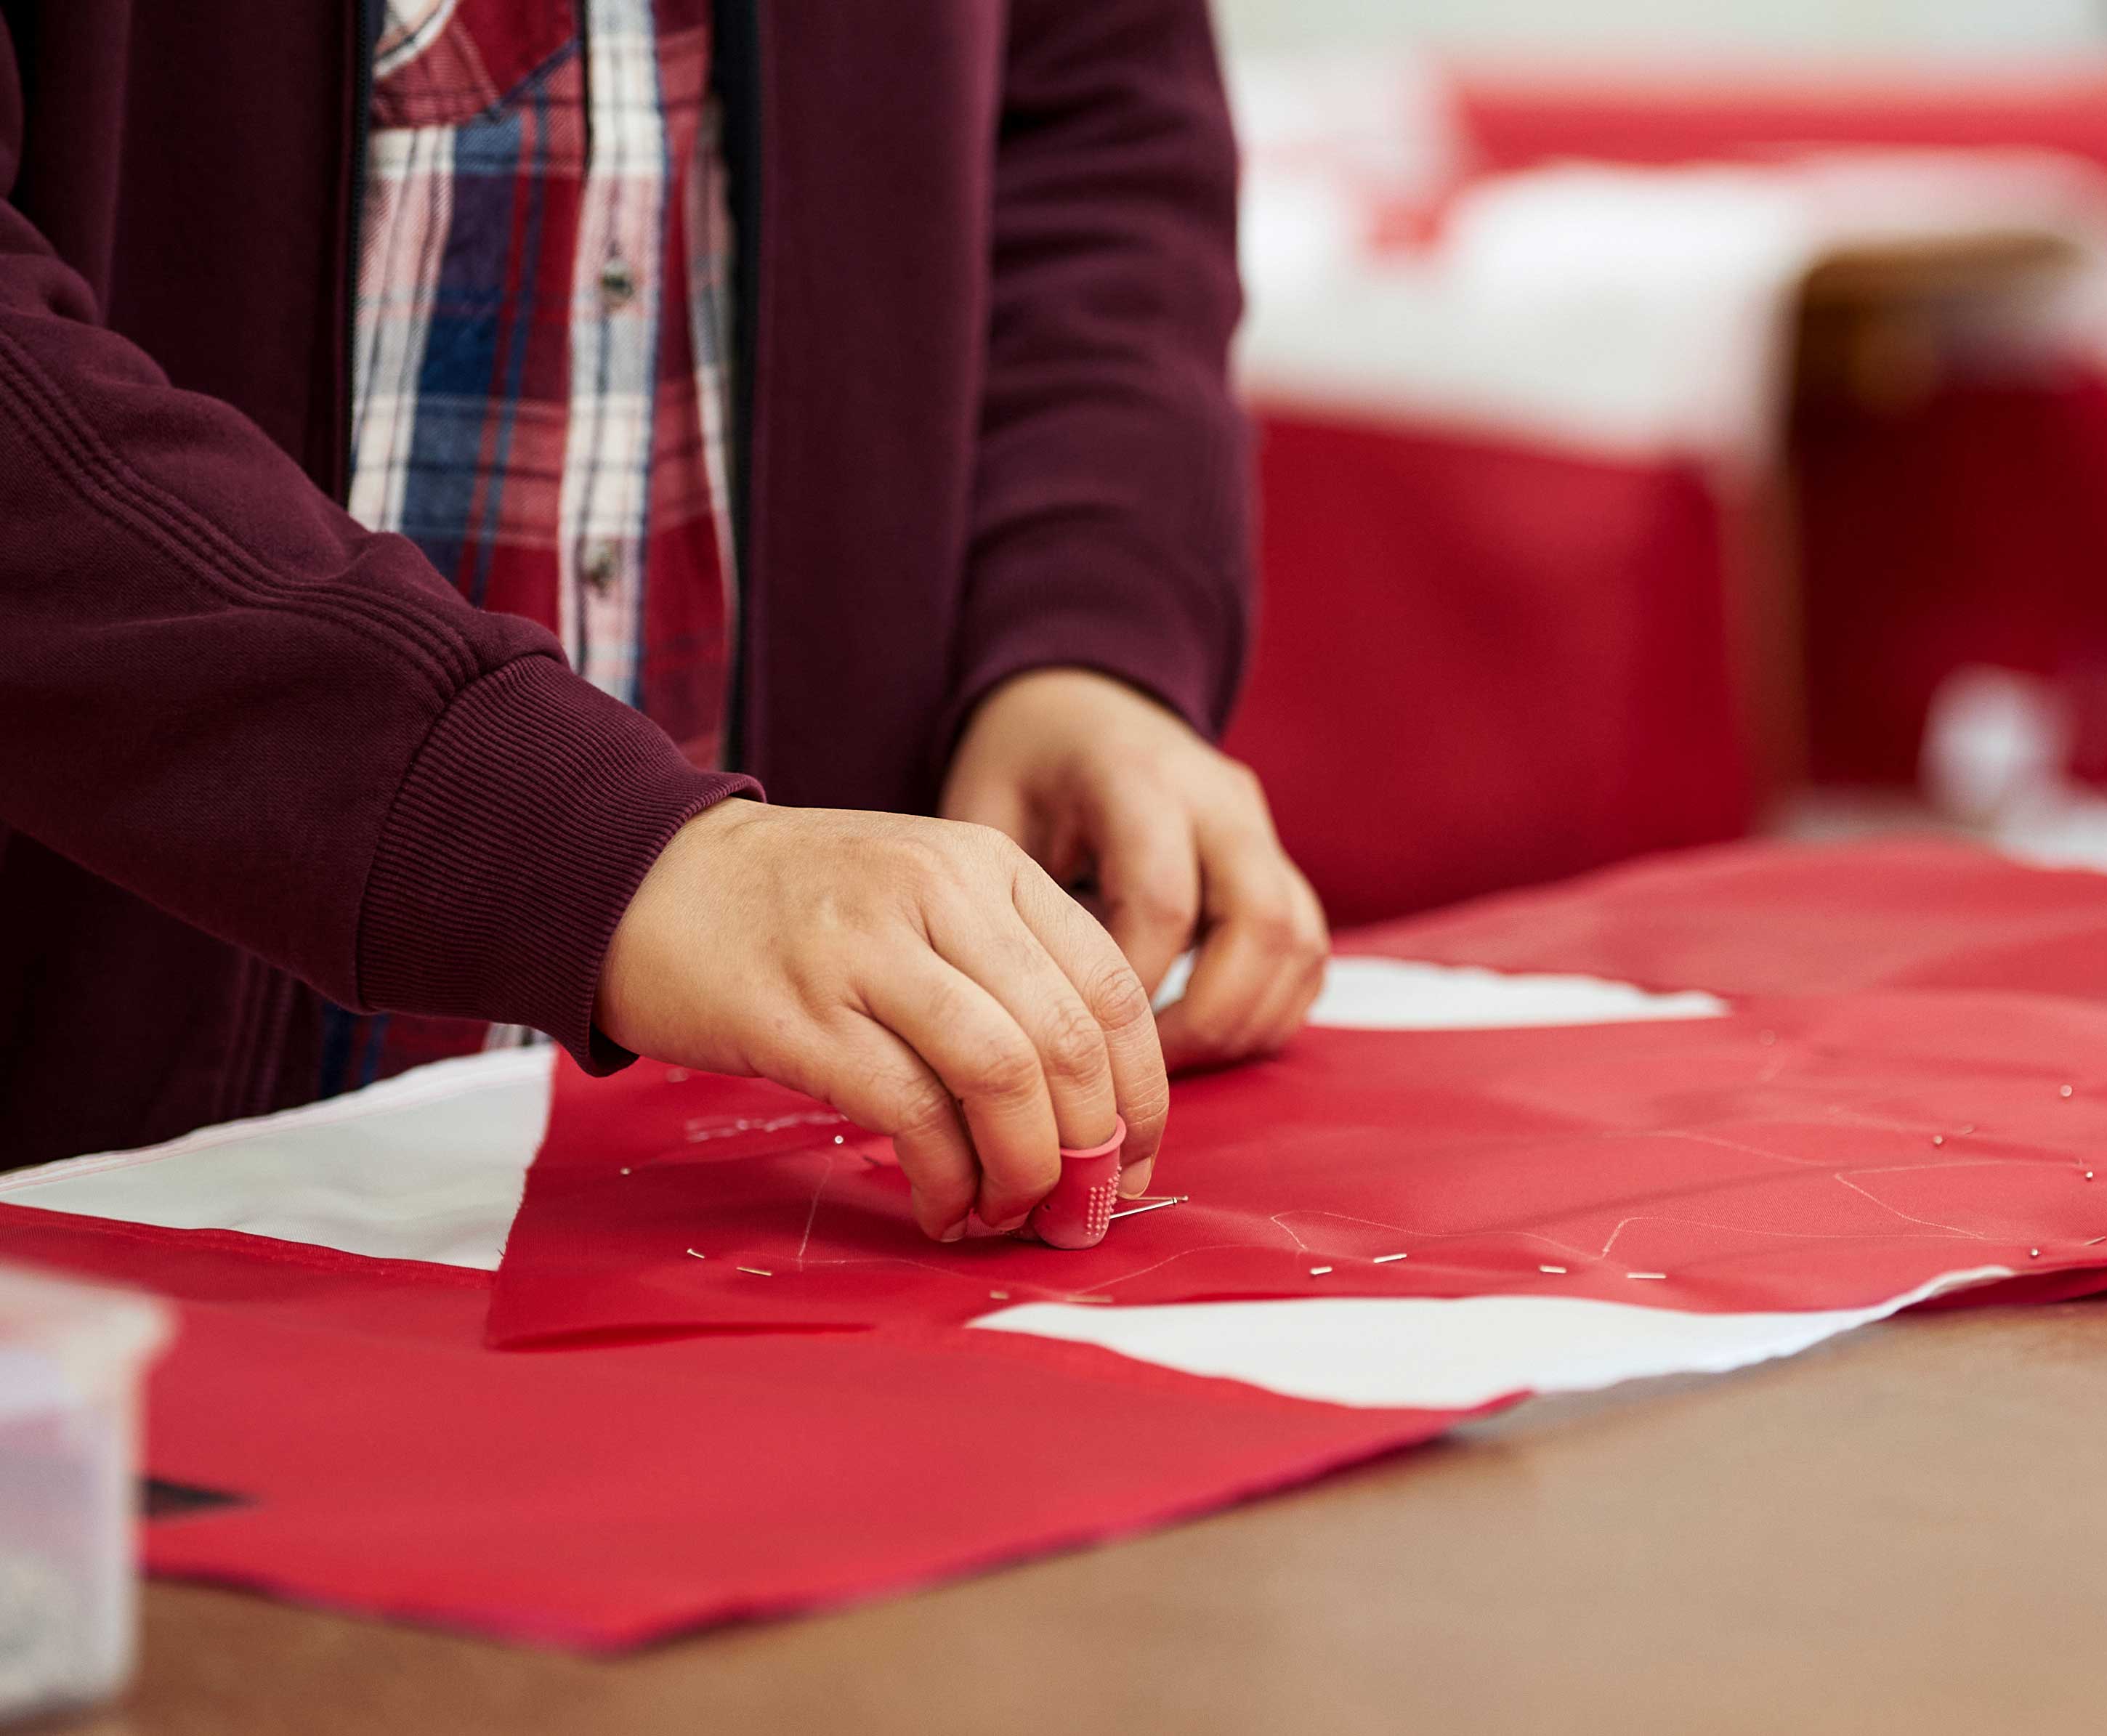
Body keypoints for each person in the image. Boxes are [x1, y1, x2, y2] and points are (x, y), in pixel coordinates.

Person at [0, 0, 1328, 1238]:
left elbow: (1093, 109)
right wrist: (599, 851)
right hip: (92, 1222)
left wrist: (1079, 625)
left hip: (757, 1208)